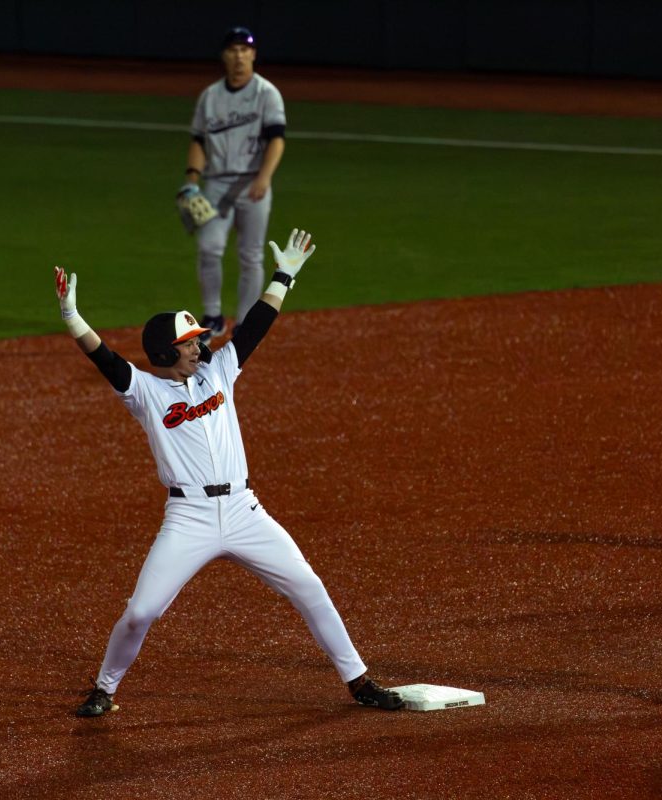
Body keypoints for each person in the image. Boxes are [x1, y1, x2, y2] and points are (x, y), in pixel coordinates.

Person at [54, 228, 404, 717]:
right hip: (189, 517)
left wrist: (284, 275)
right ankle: (104, 689)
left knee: (308, 586)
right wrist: (72, 316)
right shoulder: (146, 393)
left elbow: (256, 325)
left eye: (197, 340)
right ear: (162, 354)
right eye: (188, 343)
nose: (199, 347)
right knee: (141, 612)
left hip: (243, 509)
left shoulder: (218, 371)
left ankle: (360, 681)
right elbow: (106, 359)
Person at [183, 25, 286, 340]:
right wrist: (191, 180)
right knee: (209, 247)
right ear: (224, 56)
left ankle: (244, 322)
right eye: (234, 49)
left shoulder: (266, 93)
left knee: (251, 254)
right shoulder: (210, 97)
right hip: (216, 183)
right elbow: (199, 140)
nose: (240, 55)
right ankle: (213, 316)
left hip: (252, 185)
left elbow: (276, 140)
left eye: (245, 49)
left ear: (253, 55)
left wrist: (264, 178)